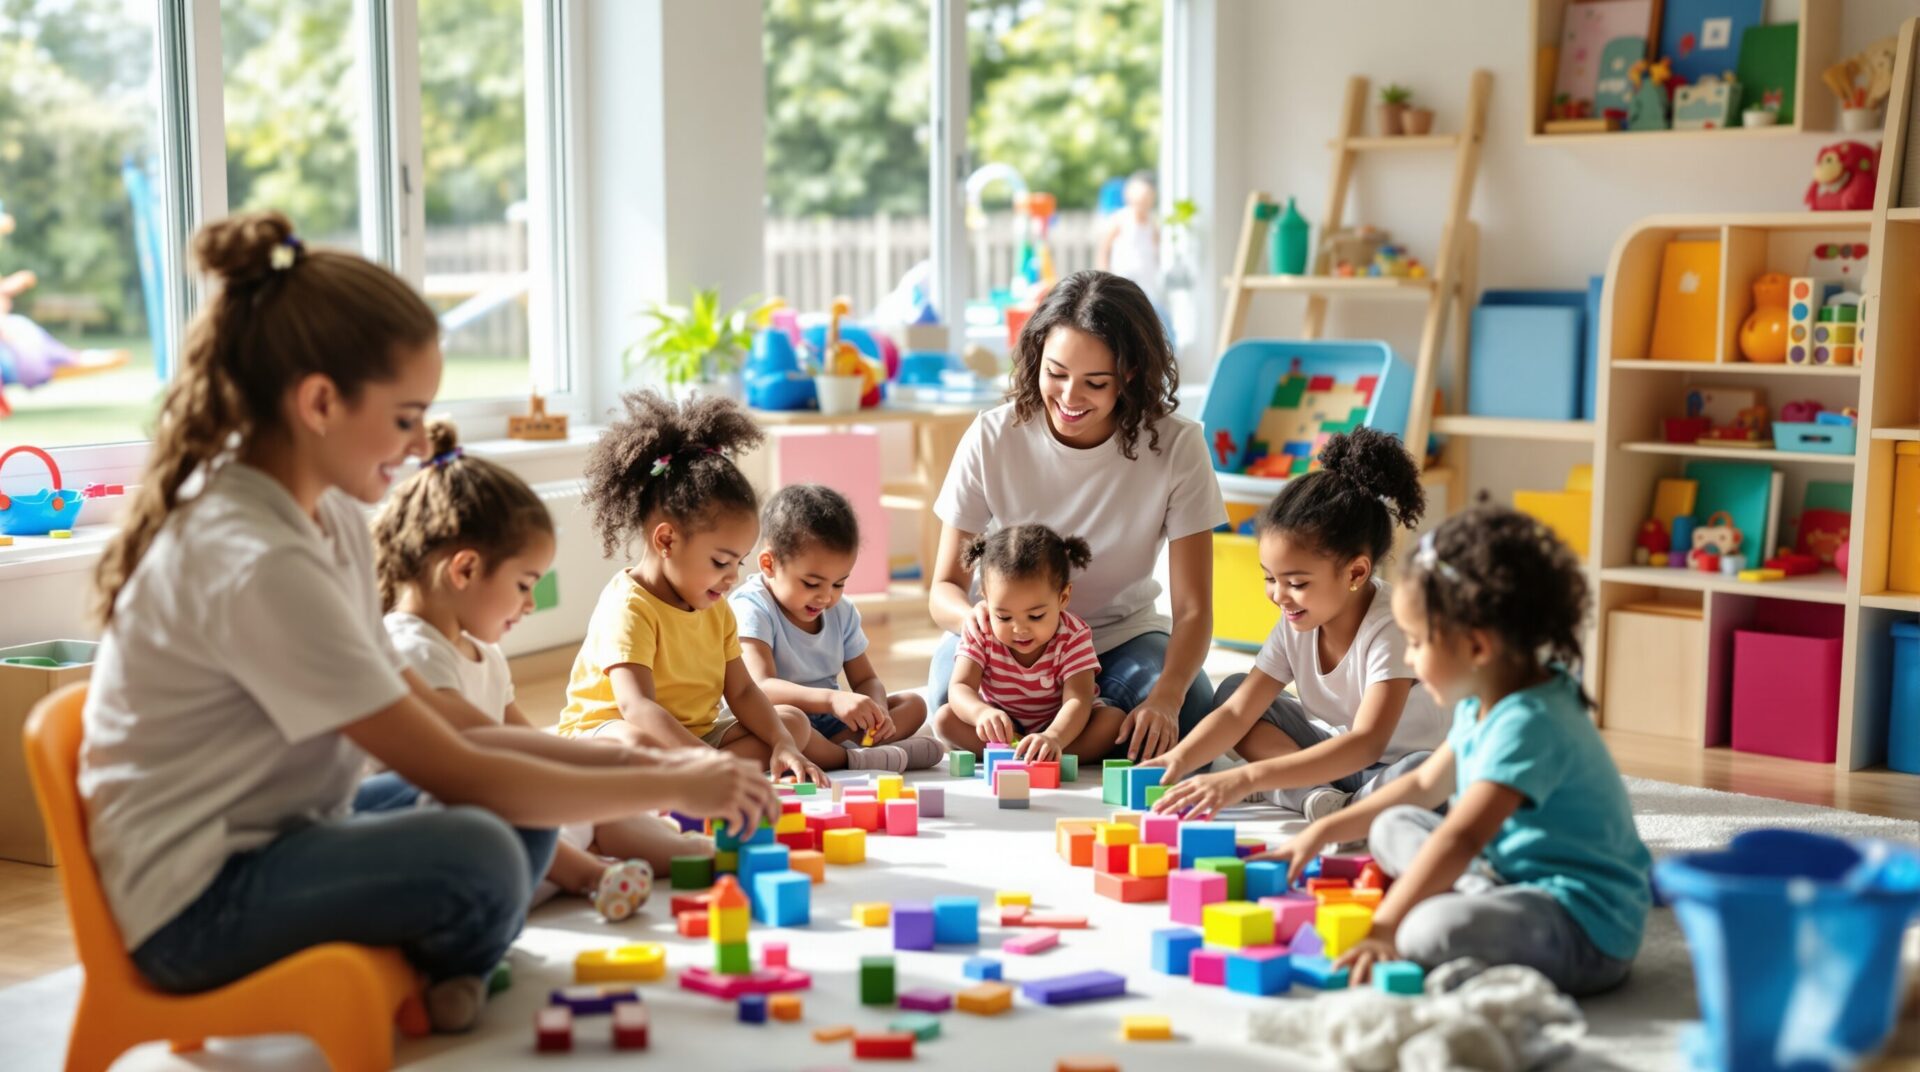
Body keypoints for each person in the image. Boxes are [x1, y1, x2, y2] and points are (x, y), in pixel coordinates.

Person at [81, 211, 774, 1033]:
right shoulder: (257, 557)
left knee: (517, 815)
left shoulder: (326, 518)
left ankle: (445, 955)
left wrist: (592, 758)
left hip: (288, 835)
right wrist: (670, 780)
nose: (417, 446)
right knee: (480, 847)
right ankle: (440, 960)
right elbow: (455, 765)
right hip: (194, 907)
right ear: (319, 402)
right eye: (406, 417)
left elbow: (453, 725)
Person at [1263, 507, 1652, 996]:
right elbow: (1423, 786)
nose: (1408, 658)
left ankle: (1467, 908)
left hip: (1583, 924)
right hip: (1509, 878)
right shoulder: (1483, 700)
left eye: (1418, 642)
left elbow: (1461, 839)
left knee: (1426, 930)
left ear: (1477, 647)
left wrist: (1384, 927)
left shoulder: (1529, 723)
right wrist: (1324, 830)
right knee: (1390, 825)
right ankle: (1473, 894)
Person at [371, 418, 714, 920]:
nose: (530, 604)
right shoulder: (411, 648)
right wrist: (656, 774)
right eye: (524, 584)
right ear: (464, 570)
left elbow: (531, 743)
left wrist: (607, 783)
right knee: (525, 804)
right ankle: (589, 875)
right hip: (453, 843)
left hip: (514, 833)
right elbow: (481, 766)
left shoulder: (483, 654)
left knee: (587, 802)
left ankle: (692, 856)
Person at [927, 269, 1225, 762]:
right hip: (1006, 638)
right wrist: (982, 622)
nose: (1068, 398)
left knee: (1188, 712)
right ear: (1036, 356)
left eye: (1095, 382)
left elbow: (1193, 608)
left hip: (1120, 639)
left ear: (1130, 374)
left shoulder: (1177, 445)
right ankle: (1068, 737)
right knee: (946, 702)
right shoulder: (992, 436)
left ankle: (1059, 730)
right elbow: (943, 589)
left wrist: (1167, 697)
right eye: (1056, 373)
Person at [1146, 428, 1447, 820]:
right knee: (1234, 691)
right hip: (1338, 757)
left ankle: (1310, 795)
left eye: (1297, 583)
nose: (1279, 596)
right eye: (1270, 578)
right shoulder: (1296, 623)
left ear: (1355, 572)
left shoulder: (1391, 626)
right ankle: (1316, 795)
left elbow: (1367, 743)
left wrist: (1249, 778)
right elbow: (1238, 712)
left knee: (1428, 773)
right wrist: (1175, 761)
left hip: (1389, 767)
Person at [554, 391, 831, 787]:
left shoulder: (716, 607)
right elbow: (637, 707)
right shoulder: (629, 607)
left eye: (738, 562)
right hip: (610, 731)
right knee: (632, 741)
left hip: (696, 736)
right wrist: (709, 761)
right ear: (666, 542)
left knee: (792, 723)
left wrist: (783, 743)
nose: (732, 576)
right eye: (720, 562)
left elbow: (744, 692)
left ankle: (691, 774)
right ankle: (698, 772)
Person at [730, 484, 940, 772]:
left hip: (830, 723)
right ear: (769, 564)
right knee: (794, 724)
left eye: (839, 583)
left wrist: (877, 713)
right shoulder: (753, 607)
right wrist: (832, 699)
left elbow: (866, 680)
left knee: (913, 704)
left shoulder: (840, 611)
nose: (826, 596)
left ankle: (851, 750)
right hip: (775, 718)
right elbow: (760, 687)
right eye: (812, 584)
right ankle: (851, 758)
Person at [930, 524, 1126, 762]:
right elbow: (960, 687)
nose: (1019, 629)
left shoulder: (1073, 635)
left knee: (1113, 722)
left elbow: (1079, 699)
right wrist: (981, 713)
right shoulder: (981, 629)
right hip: (1004, 727)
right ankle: (1025, 753)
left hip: (1062, 725)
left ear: (1062, 598)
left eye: (1035, 616)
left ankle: (1044, 753)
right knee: (945, 719)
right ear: (985, 597)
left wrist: (1054, 736)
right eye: (1003, 616)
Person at [1096, 171, 1162, 311]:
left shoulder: (1152, 222)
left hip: (1147, 280)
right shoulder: (1120, 219)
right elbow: (1104, 249)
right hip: (1123, 277)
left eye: (1146, 201)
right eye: (1140, 201)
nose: (1143, 205)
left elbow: (1157, 248)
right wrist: (1104, 273)